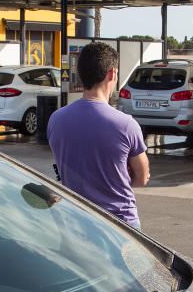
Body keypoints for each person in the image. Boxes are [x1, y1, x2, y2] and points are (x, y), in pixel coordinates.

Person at [47, 42, 150, 228]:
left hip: (75, 221)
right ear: (112, 74)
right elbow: (142, 178)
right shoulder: (126, 125)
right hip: (120, 224)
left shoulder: (56, 119)